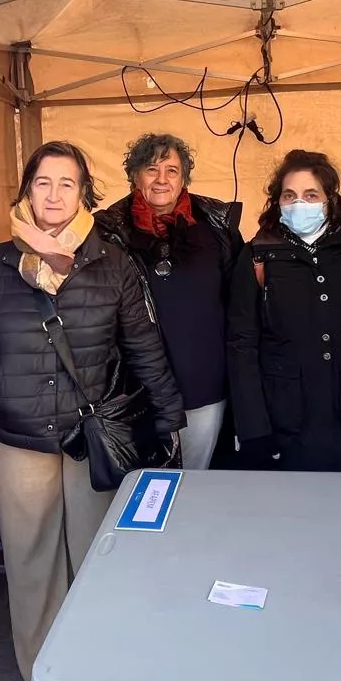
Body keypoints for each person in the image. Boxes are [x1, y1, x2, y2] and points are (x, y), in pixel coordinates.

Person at [0, 141, 185, 678]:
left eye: (66, 183)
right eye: (43, 183)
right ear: (27, 190)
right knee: (32, 565)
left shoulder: (111, 262)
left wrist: (170, 417)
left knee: (95, 555)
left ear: (84, 194)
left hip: (90, 436)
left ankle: (94, 664)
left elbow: (143, 345)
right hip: (17, 438)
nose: (54, 195)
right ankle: (43, 671)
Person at [226, 149, 341, 472]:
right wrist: (253, 431)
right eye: (289, 195)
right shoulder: (257, 257)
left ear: (329, 199)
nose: (299, 204)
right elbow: (241, 347)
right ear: (277, 202)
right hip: (283, 425)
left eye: (310, 194)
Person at [95, 133, 244, 470]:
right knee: (142, 487)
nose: (162, 179)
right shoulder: (109, 234)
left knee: (195, 480)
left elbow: (238, 306)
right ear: (135, 176)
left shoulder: (217, 230)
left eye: (172, 170)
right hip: (135, 391)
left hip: (203, 385)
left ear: (184, 178)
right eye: (151, 169)